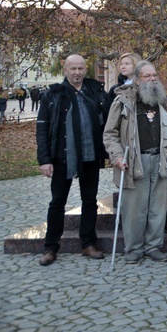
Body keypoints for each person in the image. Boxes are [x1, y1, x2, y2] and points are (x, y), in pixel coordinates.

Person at [37, 55, 109, 266]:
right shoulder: (53, 94)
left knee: (90, 201)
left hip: (90, 155)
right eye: (73, 68)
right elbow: (42, 128)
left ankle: (88, 243)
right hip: (62, 156)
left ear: (85, 69)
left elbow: (109, 120)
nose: (77, 72)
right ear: (65, 69)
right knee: (57, 202)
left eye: (80, 68)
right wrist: (44, 159)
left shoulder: (96, 92)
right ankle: (50, 247)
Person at [103, 61, 167, 264]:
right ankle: (134, 248)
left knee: (158, 208)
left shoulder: (163, 101)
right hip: (134, 161)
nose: (152, 79)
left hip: (161, 159)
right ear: (136, 79)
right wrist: (117, 156)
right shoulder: (123, 101)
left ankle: (153, 246)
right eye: (147, 76)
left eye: (154, 75)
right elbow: (110, 133)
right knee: (135, 208)